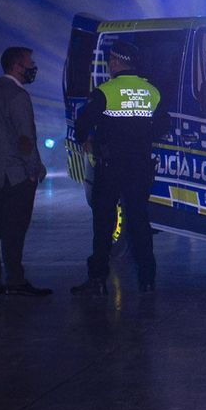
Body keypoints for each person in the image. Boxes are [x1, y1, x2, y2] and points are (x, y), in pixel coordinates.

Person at [70, 40, 167, 295]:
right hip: (140, 167)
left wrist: (88, 141)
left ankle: (98, 280)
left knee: (104, 224)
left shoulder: (106, 92)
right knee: (139, 222)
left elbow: (81, 124)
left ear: (115, 62)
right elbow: (163, 128)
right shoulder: (152, 92)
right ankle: (147, 279)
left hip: (110, 166)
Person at [0, 46, 51, 296]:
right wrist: (33, 169)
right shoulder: (17, 96)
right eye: (30, 63)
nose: (33, 67)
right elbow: (25, 138)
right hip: (16, 174)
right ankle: (15, 280)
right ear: (17, 66)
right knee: (15, 230)